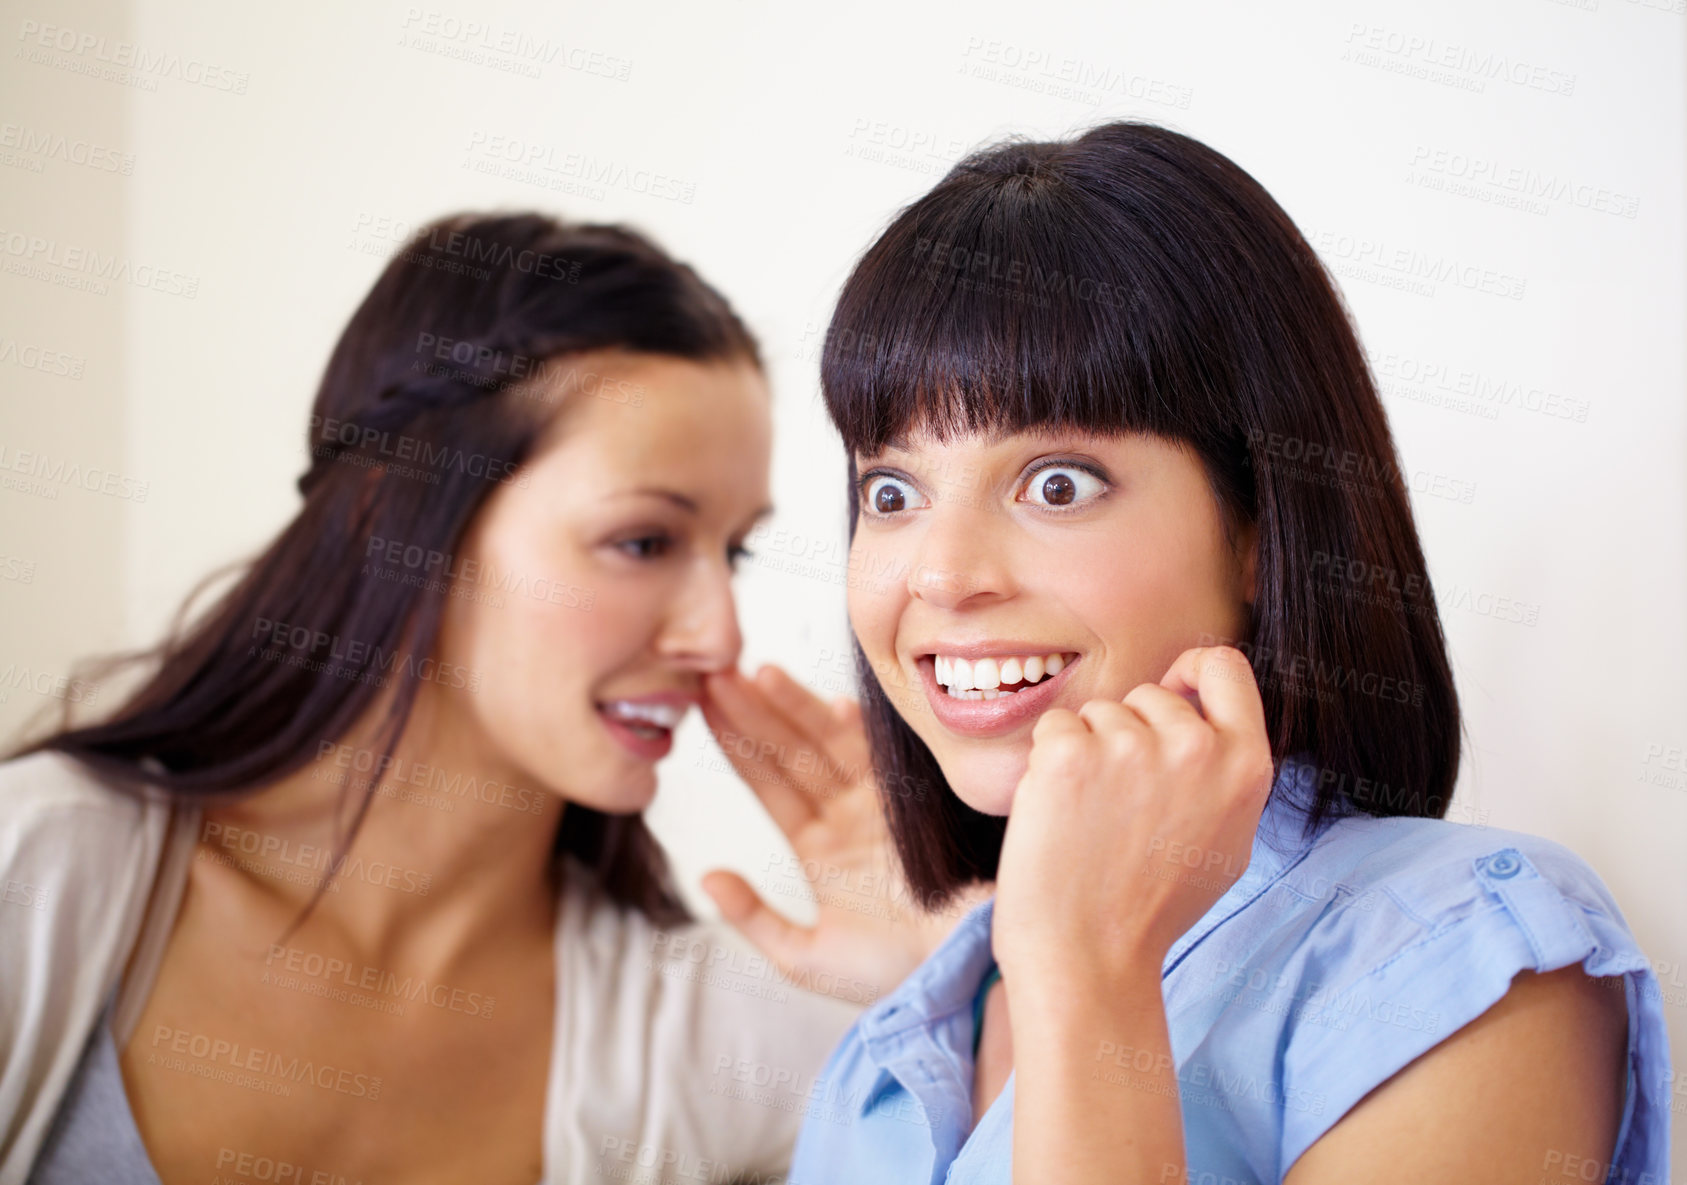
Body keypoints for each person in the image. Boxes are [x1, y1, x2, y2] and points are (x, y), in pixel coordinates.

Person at [788, 121, 1673, 1184]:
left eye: (1056, 483)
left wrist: (1088, 979)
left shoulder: (1469, 957)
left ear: (1259, 529)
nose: (939, 575)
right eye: (892, 491)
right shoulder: (893, 1053)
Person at [0, 212, 965, 1185]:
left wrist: (946, 987)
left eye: (732, 551)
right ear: (392, 517)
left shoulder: (704, 1041)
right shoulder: (37, 872)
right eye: (643, 541)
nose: (717, 635)